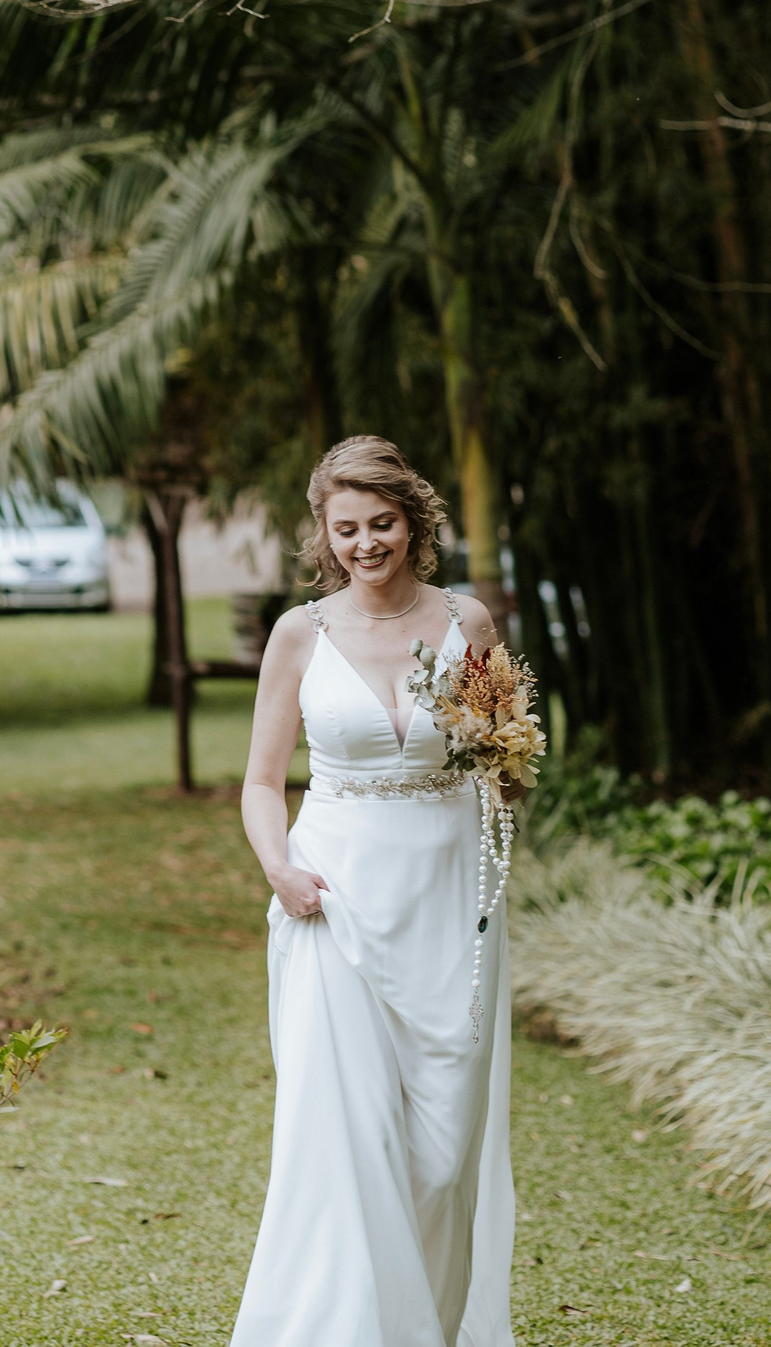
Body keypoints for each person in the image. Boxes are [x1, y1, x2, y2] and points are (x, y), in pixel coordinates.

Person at [232, 437, 516, 1347]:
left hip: (450, 904)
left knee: (442, 1154)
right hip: (332, 900)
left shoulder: (468, 623)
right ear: (324, 533)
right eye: (345, 528)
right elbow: (261, 782)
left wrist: (509, 769)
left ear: (414, 522)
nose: (365, 544)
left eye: (381, 524)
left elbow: (505, 766)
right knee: (345, 1145)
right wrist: (280, 869)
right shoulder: (300, 635)